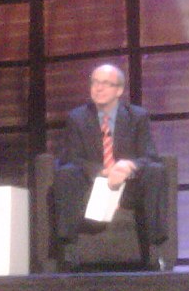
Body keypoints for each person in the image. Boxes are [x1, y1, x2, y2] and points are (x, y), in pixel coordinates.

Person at [52, 64, 170, 270]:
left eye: (105, 84)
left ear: (119, 90)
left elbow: (150, 157)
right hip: (91, 188)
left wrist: (128, 166)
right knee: (66, 173)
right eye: (95, 82)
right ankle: (69, 251)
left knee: (156, 171)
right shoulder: (77, 117)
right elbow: (71, 157)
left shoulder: (137, 116)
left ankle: (156, 249)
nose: (98, 88)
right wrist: (102, 171)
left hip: (128, 189)